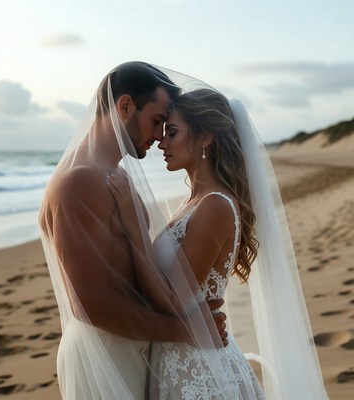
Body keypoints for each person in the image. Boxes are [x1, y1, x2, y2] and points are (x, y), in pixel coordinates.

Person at [107, 87, 330, 399]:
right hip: (181, 358)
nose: (161, 141)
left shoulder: (215, 206)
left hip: (199, 369)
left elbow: (171, 299)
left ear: (206, 137)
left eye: (172, 132)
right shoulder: (192, 203)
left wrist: (132, 226)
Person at [38, 62, 229, 400]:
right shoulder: (80, 181)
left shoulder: (112, 179)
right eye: (156, 121)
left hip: (129, 349)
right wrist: (187, 330)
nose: (159, 136)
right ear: (125, 107)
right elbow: (90, 304)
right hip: (103, 356)